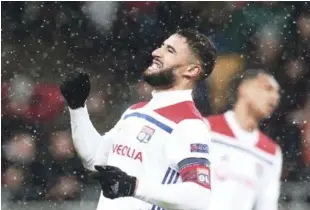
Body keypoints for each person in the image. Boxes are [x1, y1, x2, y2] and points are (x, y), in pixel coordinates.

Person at [60, 29, 217, 210]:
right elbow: (96, 160)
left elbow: (200, 197)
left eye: (170, 51)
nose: (156, 53)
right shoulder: (135, 111)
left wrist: (134, 186)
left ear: (191, 70)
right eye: (161, 46)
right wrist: (77, 107)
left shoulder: (189, 124)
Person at [204, 69, 283, 210]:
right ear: (244, 89)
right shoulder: (207, 129)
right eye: (268, 88)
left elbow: (267, 205)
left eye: (277, 93)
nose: (274, 97)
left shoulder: (271, 152)